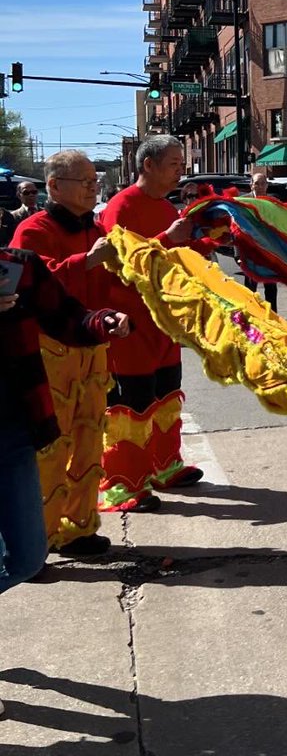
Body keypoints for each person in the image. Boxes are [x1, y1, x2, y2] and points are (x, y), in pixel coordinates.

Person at [0, 249, 129, 677]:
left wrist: (101, 322)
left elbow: (66, 317)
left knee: (28, 557)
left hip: (15, 431)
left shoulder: (17, 265)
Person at [12, 151, 121, 557]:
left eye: (95, 180)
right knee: (49, 448)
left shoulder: (93, 228)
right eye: (85, 181)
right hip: (49, 350)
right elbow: (34, 285)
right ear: (55, 187)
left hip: (91, 345)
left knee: (89, 436)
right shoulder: (32, 229)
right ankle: (34, 541)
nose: (94, 187)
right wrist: (89, 261)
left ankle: (78, 527)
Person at [99, 135, 198, 511]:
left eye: (180, 162)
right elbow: (118, 266)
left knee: (166, 395)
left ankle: (164, 465)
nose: (181, 170)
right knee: (132, 403)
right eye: (174, 163)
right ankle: (123, 482)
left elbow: (174, 261)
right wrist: (166, 239)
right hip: (129, 325)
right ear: (148, 165)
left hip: (163, 324)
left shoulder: (168, 208)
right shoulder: (121, 207)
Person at [239, 171, 278, 310]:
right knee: (250, 289)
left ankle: (273, 319)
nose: (260, 187)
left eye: (263, 184)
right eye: (257, 183)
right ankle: (250, 318)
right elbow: (236, 229)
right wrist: (238, 255)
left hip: (269, 252)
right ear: (251, 186)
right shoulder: (243, 203)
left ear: (267, 186)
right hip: (250, 253)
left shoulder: (274, 203)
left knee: (271, 289)